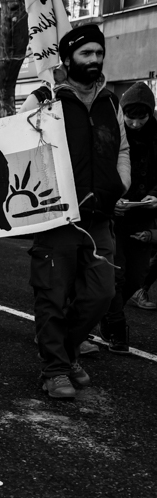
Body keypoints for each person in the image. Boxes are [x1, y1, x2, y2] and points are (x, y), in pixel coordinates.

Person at [19, 23, 130, 398]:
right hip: (58, 218)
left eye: (99, 53)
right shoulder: (44, 99)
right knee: (52, 295)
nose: (95, 59)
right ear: (67, 60)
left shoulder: (111, 102)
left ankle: (65, 356)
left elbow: (122, 149)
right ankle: (55, 371)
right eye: (86, 53)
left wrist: (120, 185)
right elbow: (16, 147)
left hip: (99, 218)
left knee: (101, 293)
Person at [98, 82, 157, 347]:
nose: (135, 123)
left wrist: (155, 196)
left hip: (144, 216)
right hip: (114, 216)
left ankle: (106, 314)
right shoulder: (111, 132)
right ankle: (115, 326)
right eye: (130, 118)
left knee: (138, 276)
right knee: (117, 274)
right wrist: (113, 199)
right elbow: (101, 170)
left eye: (141, 118)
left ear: (150, 114)